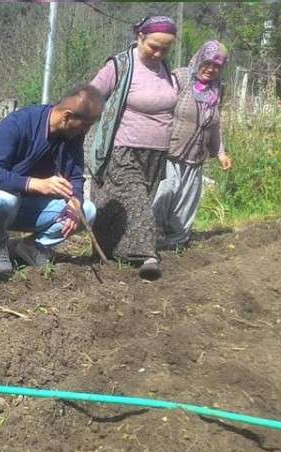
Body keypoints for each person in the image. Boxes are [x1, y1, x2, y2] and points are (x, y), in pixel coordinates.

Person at [88, 15, 178, 281]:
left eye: (165, 48)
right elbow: (91, 95)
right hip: (121, 148)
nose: (159, 53)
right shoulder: (120, 66)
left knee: (120, 205)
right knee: (136, 198)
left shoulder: (165, 68)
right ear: (140, 37)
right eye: (154, 46)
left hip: (156, 152)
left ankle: (109, 253)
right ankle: (147, 254)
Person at [0, 85, 102, 273]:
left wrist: (74, 201)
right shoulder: (17, 124)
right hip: (5, 207)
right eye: (85, 125)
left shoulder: (72, 136)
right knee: (2, 199)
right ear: (67, 116)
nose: (84, 132)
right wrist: (35, 184)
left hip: (36, 209)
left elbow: (76, 177)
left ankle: (32, 246)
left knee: (87, 210)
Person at [153, 40, 232, 248]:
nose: (211, 69)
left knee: (185, 204)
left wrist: (220, 152)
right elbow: (159, 106)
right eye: (208, 63)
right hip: (169, 153)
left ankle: (175, 245)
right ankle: (151, 242)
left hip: (195, 158)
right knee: (163, 196)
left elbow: (214, 124)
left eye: (217, 66)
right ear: (199, 59)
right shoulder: (180, 77)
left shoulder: (216, 89)